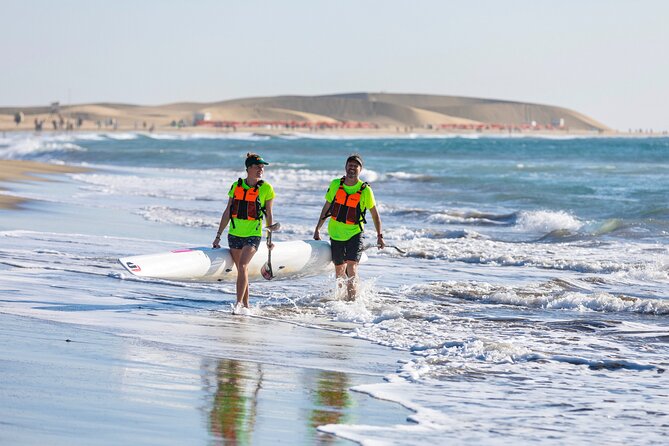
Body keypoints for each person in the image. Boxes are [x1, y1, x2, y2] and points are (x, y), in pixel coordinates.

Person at [313, 154, 385, 301]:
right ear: (346, 167)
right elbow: (326, 207)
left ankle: (352, 301)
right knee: (339, 269)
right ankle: (340, 300)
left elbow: (375, 215)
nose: (352, 168)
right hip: (336, 232)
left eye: (355, 166)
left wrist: (380, 236)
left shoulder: (365, 190)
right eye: (350, 165)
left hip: (355, 232)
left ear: (360, 169)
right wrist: (317, 228)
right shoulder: (335, 184)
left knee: (351, 267)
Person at [213, 153, 275, 314]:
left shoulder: (266, 188)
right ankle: (247, 305)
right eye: (257, 167)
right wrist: (218, 235)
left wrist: (269, 238)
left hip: (253, 235)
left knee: (242, 265)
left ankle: (238, 304)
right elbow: (227, 211)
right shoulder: (236, 186)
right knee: (242, 270)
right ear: (248, 168)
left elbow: (268, 214)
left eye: (262, 167)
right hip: (234, 234)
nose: (261, 170)